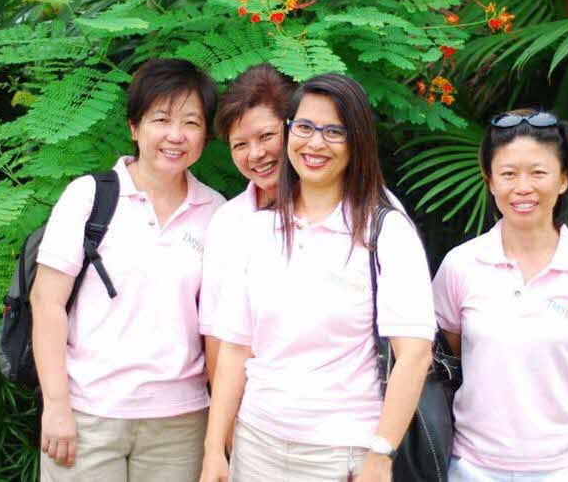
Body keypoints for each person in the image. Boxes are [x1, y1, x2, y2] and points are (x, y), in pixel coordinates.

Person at [199, 73, 435, 482]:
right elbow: (235, 348)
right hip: (256, 443)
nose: (315, 143)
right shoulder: (259, 230)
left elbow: (414, 355)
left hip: (342, 453)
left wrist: (380, 456)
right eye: (305, 127)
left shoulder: (385, 231)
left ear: (357, 141)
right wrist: (213, 449)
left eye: (333, 131)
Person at [30, 58, 225, 481]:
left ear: (205, 134)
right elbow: (47, 303)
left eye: (191, 122)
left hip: (181, 420)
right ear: (134, 127)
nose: (176, 136)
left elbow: (220, 328)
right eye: (161, 119)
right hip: (89, 414)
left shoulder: (218, 212)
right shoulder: (88, 196)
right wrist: (57, 405)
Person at [433, 109, 568, 481]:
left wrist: (559, 424)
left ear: (563, 180)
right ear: (490, 182)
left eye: (538, 173)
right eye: (508, 174)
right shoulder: (460, 265)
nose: (522, 187)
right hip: (472, 467)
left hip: (564, 469)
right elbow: (450, 356)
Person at [199, 63, 294, 382]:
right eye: (240, 144)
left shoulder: (357, 208)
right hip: (251, 415)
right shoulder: (227, 222)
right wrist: (224, 428)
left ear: (295, 128)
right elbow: (215, 333)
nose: (256, 154)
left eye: (267, 136)